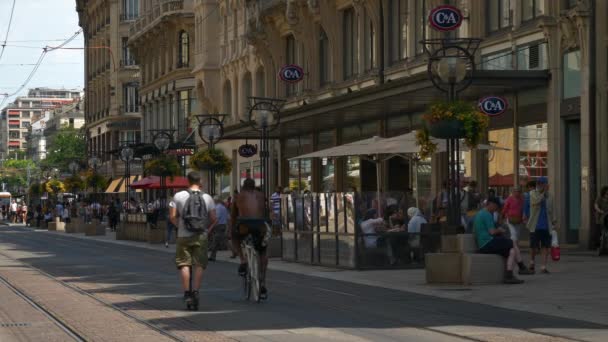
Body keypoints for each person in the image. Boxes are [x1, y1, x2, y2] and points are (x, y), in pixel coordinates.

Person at [169, 171, 216, 308]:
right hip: (201, 235)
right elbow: (214, 219)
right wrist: (207, 230)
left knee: (184, 264)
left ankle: (187, 293)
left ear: (187, 181)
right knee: (199, 265)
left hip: (183, 236)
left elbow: (172, 216)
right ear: (199, 181)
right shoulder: (207, 197)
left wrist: (179, 226)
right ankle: (195, 291)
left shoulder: (178, 196)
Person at [474, 198, 532, 284]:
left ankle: (509, 275)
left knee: (511, 251)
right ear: (491, 204)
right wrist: (500, 230)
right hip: (487, 242)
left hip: (484, 244)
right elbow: (492, 232)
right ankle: (521, 267)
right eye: (496, 207)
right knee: (511, 242)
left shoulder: (480, 213)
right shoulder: (487, 214)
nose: (496, 209)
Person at [231, 178, 271, 298]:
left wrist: (231, 229)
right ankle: (262, 281)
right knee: (263, 250)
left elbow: (233, 216)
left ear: (243, 186)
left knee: (235, 237)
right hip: (260, 225)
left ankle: (243, 260)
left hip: (244, 226)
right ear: (254, 187)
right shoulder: (261, 195)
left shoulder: (238, 196)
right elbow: (266, 212)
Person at [526, 177, 556, 274]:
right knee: (533, 246)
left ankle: (543, 266)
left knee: (545, 246)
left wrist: (554, 220)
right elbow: (536, 201)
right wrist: (543, 193)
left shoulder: (550, 196)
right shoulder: (532, 193)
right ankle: (532, 262)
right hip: (535, 224)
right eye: (539, 183)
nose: (540, 185)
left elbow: (552, 209)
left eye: (542, 183)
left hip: (546, 225)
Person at [208, 195, 229, 261]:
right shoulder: (223, 207)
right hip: (223, 225)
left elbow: (216, 219)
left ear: (215, 201)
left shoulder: (218, 208)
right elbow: (228, 217)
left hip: (219, 226)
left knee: (215, 241)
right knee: (224, 240)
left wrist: (211, 227)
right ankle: (235, 252)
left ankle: (212, 256)